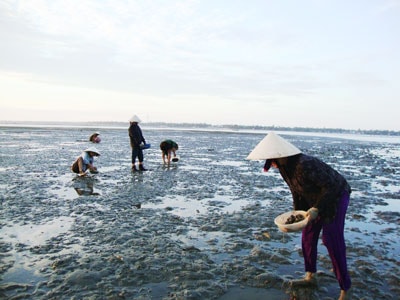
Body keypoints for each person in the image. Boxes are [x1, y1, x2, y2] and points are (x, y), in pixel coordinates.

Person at [247, 132, 351, 300]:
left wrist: (316, 208)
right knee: (308, 235)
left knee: (331, 239)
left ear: (280, 155)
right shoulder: (284, 168)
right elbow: (296, 191)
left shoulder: (305, 164)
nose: (269, 164)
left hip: (337, 195)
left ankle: (345, 289)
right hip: (314, 196)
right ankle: (310, 275)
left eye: (270, 160)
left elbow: (331, 187)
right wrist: (297, 215)